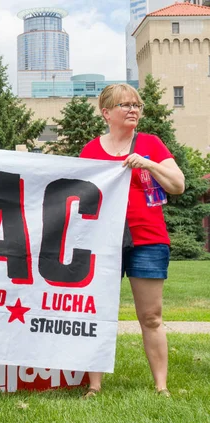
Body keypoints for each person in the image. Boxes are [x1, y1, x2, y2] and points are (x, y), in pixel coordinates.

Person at [79, 83, 185, 398]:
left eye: (136, 105)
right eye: (125, 105)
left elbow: (177, 185)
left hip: (148, 239)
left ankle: (161, 387)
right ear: (106, 112)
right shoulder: (91, 150)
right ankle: (94, 386)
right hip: (103, 243)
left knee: (151, 316)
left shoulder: (151, 144)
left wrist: (148, 163)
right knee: (97, 313)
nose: (133, 110)